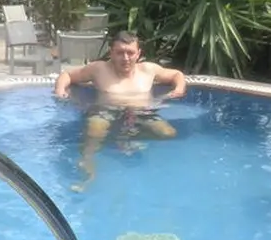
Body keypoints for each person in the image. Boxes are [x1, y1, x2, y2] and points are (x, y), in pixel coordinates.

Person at [54, 31, 187, 186]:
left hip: (142, 113)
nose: (125, 58)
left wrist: (179, 89)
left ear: (138, 54)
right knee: (95, 130)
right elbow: (67, 75)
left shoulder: (148, 70)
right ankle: (87, 161)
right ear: (111, 53)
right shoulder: (99, 69)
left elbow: (177, 75)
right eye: (120, 53)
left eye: (130, 53)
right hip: (105, 111)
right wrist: (60, 91)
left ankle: (125, 138)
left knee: (168, 133)